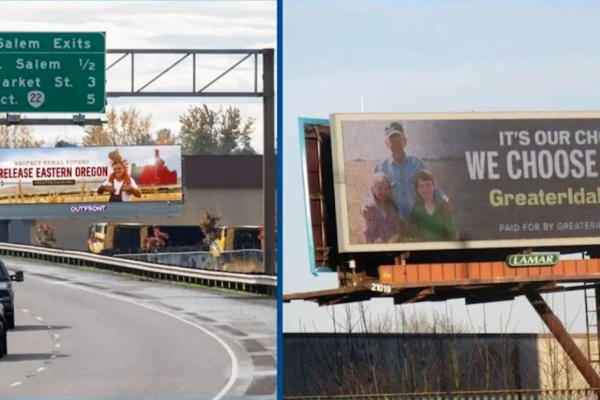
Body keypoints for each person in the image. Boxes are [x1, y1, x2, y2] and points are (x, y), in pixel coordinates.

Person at [373, 121, 451, 237]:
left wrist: (444, 198)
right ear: (387, 144)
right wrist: (365, 206)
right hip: (393, 224)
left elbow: (430, 185)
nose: (395, 143)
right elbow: (372, 193)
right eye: (391, 140)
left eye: (398, 139)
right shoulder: (381, 167)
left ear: (405, 141)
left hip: (417, 222)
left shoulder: (417, 163)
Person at [409, 170, 459, 242]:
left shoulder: (443, 206)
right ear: (418, 190)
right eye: (421, 186)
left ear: (434, 186)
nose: (425, 189)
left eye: (428, 185)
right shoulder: (416, 208)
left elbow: (454, 235)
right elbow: (414, 234)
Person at [361, 173, 401, 243]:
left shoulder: (391, 205)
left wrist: (395, 239)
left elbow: (396, 226)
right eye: (380, 188)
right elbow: (368, 230)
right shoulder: (370, 207)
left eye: (386, 189)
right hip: (376, 244)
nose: (383, 192)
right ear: (373, 189)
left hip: (392, 243)